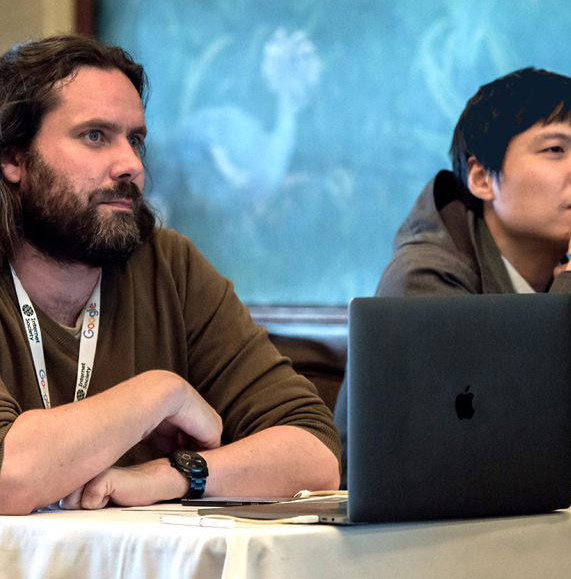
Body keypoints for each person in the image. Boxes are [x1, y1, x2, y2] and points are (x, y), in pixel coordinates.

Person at [0, 34, 340, 515]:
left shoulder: (169, 266)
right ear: (13, 158)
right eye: (95, 136)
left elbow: (315, 452)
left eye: (135, 139)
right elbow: (7, 478)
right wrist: (162, 392)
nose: (131, 166)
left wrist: (176, 474)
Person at [335, 67, 571, 488]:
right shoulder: (425, 278)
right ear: (481, 178)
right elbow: (494, 458)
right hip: (396, 547)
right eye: (555, 149)